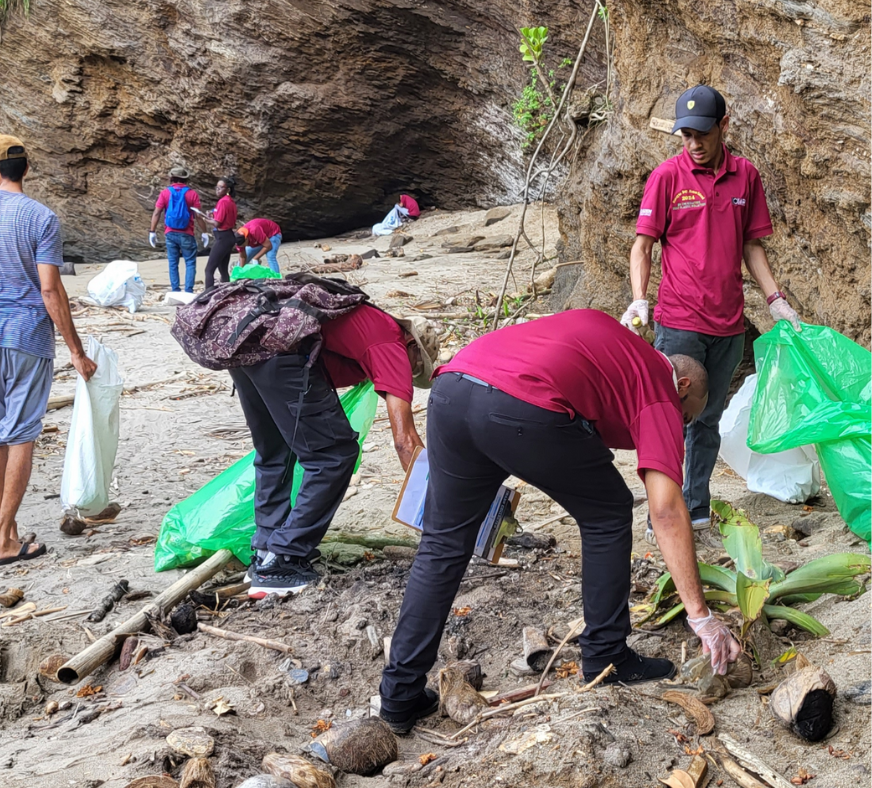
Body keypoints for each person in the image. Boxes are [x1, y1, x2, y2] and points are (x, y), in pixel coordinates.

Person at [379, 309, 742, 734]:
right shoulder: (659, 388)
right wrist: (700, 616)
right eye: (686, 418)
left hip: (452, 390)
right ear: (683, 387)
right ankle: (607, 655)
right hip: (519, 405)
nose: (678, 429)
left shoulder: (612, 347)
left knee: (442, 544)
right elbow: (665, 509)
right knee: (608, 511)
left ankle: (399, 694)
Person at [621, 85, 802, 542]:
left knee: (707, 419)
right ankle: (660, 515)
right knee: (666, 417)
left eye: (702, 133)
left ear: (724, 126)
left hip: (728, 325)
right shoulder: (666, 177)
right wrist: (640, 299)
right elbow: (642, 245)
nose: (694, 144)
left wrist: (775, 298)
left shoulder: (746, 177)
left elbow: (751, 245)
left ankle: (695, 509)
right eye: (685, 135)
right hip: (679, 321)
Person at [0, 134, 98, 567]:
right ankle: (2, 537)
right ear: (25, 169)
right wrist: (76, 349)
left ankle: (6, 531)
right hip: (28, 337)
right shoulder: (42, 218)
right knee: (22, 432)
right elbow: (50, 289)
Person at [234, 306, 438, 599]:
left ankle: (266, 552)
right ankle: (284, 561)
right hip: (281, 352)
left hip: (248, 344)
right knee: (334, 455)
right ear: (412, 347)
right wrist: (439, 499)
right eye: (416, 366)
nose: (411, 374)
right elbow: (404, 441)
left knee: (277, 449)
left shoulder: (368, 325)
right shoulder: (392, 342)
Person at [149, 167, 210, 293]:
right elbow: (198, 216)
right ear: (185, 179)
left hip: (170, 233)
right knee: (190, 263)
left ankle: (175, 290)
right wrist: (204, 232)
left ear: (171, 178)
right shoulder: (192, 194)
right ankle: (188, 291)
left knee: (173, 263)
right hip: (187, 233)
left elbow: (156, 213)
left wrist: (152, 231)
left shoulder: (165, 193)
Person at [201, 176, 239, 287]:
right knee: (223, 270)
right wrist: (211, 216)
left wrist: (205, 219)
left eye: (221, 187)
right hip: (228, 237)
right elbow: (223, 218)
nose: (217, 189)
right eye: (216, 187)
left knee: (209, 270)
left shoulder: (223, 202)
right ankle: (226, 293)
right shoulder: (230, 202)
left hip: (223, 237)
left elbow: (217, 223)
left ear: (228, 190)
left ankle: (207, 296)